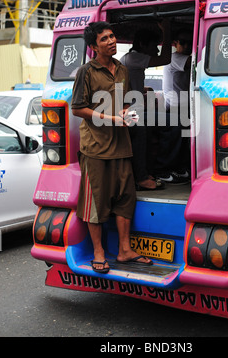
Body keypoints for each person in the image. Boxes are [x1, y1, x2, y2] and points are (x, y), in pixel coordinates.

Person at [71, 21, 152, 274]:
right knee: (96, 203)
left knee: (125, 200)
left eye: (112, 36)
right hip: (95, 149)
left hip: (122, 146)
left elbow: (126, 102)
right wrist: (112, 119)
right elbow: (78, 108)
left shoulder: (123, 69)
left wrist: (128, 112)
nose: (111, 41)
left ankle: (125, 251)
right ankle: (98, 252)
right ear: (94, 46)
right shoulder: (86, 71)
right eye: (104, 39)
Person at [120, 21, 171, 190]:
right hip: (133, 112)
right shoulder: (135, 57)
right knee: (175, 123)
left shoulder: (127, 59)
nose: (156, 50)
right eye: (154, 46)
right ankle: (163, 169)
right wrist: (167, 31)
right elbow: (166, 58)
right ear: (142, 44)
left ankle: (149, 170)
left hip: (133, 108)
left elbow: (128, 85)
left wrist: (143, 89)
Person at [158, 28, 193, 182]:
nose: (186, 46)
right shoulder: (175, 58)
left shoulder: (184, 58)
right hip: (175, 107)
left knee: (184, 139)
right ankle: (163, 170)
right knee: (174, 140)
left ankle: (180, 169)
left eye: (189, 43)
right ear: (175, 44)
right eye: (183, 42)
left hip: (184, 106)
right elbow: (194, 65)